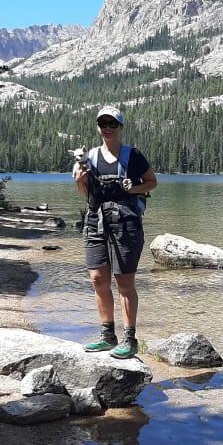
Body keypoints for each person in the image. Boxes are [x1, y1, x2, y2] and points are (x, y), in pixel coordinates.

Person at [73, 105, 157, 358]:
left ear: (121, 127)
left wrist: (132, 189)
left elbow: (152, 182)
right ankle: (107, 335)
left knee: (124, 282)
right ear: (98, 128)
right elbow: (85, 194)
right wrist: (79, 180)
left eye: (113, 124)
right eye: (103, 124)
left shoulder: (133, 156)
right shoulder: (89, 158)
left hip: (126, 224)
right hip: (95, 221)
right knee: (98, 279)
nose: (108, 128)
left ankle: (130, 339)